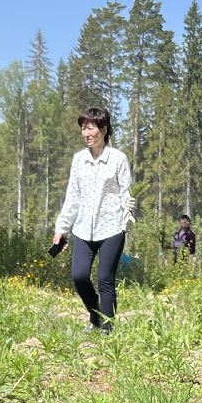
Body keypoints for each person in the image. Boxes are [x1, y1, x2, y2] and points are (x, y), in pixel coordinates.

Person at [53, 106, 136, 332]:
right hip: (83, 229)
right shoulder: (79, 160)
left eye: (90, 128)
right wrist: (61, 228)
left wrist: (127, 210)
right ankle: (95, 315)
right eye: (83, 128)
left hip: (112, 228)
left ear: (103, 129)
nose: (86, 133)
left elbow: (125, 192)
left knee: (105, 280)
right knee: (79, 276)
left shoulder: (118, 159)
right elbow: (73, 196)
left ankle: (108, 332)